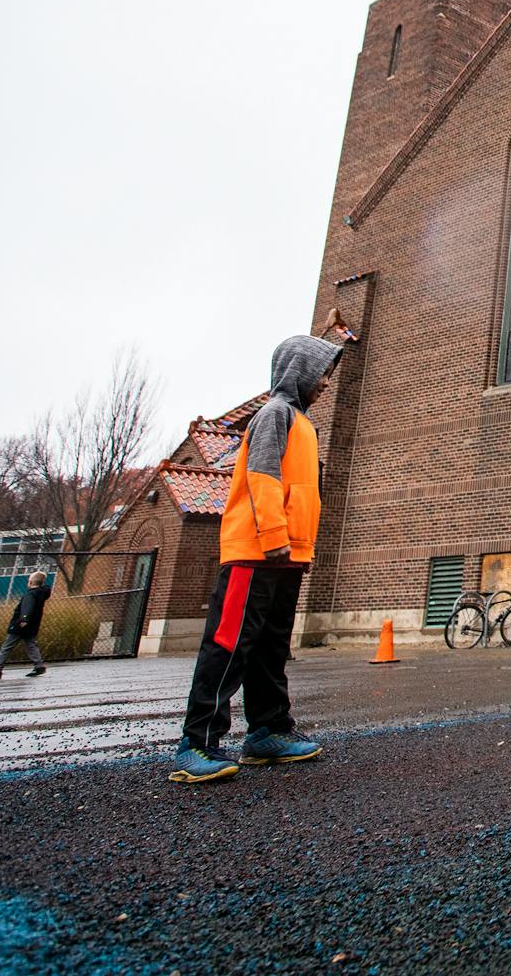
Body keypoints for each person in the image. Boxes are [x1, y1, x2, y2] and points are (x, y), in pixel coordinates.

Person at [169, 335, 344, 783]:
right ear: (299, 372)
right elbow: (260, 475)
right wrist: (272, 535)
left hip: (287, 556)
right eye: (322, 372)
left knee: (270, 648)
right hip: (258, 551)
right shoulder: (275, 415)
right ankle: (197, 743)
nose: (326, 381)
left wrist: (299, 547)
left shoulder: (303, 422)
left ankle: (268, 731)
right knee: (229, 646)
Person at [0, 571, 51, 680]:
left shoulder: (30, 594)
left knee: (6, 647)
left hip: (21, 625)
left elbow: (27, 606)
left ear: (30, 582)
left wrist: (24, 619)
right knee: (31, 644)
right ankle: (39, 665)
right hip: (33, 624)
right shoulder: (41, 593)